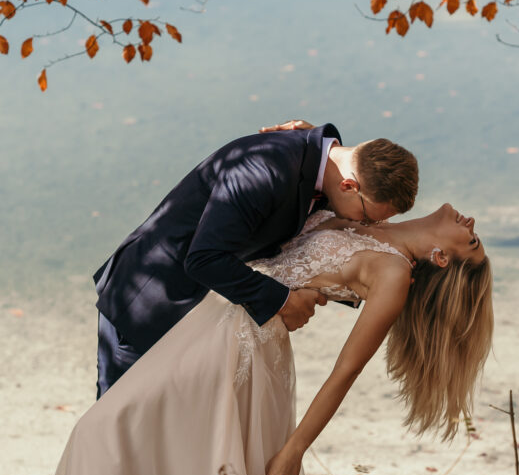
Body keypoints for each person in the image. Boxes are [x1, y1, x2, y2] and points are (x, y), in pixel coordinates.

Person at [18, 204, 493, 475]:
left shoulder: (393, 275)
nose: (470, 223)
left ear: (441, 258)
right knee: (153, 448)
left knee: (104, 431)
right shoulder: (371, 215)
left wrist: (294, 449)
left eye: (470, 242)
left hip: (240, 345)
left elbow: (345, 371)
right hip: (208, 319)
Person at [93, 123, 419, 397]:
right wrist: (282, 301)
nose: (367, 224)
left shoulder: (323, 162)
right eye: (368, 216)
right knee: (119, 423)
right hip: (149, 301)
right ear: (348, 185)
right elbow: (204, 258)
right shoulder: (264, 170)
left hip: (199, 310)